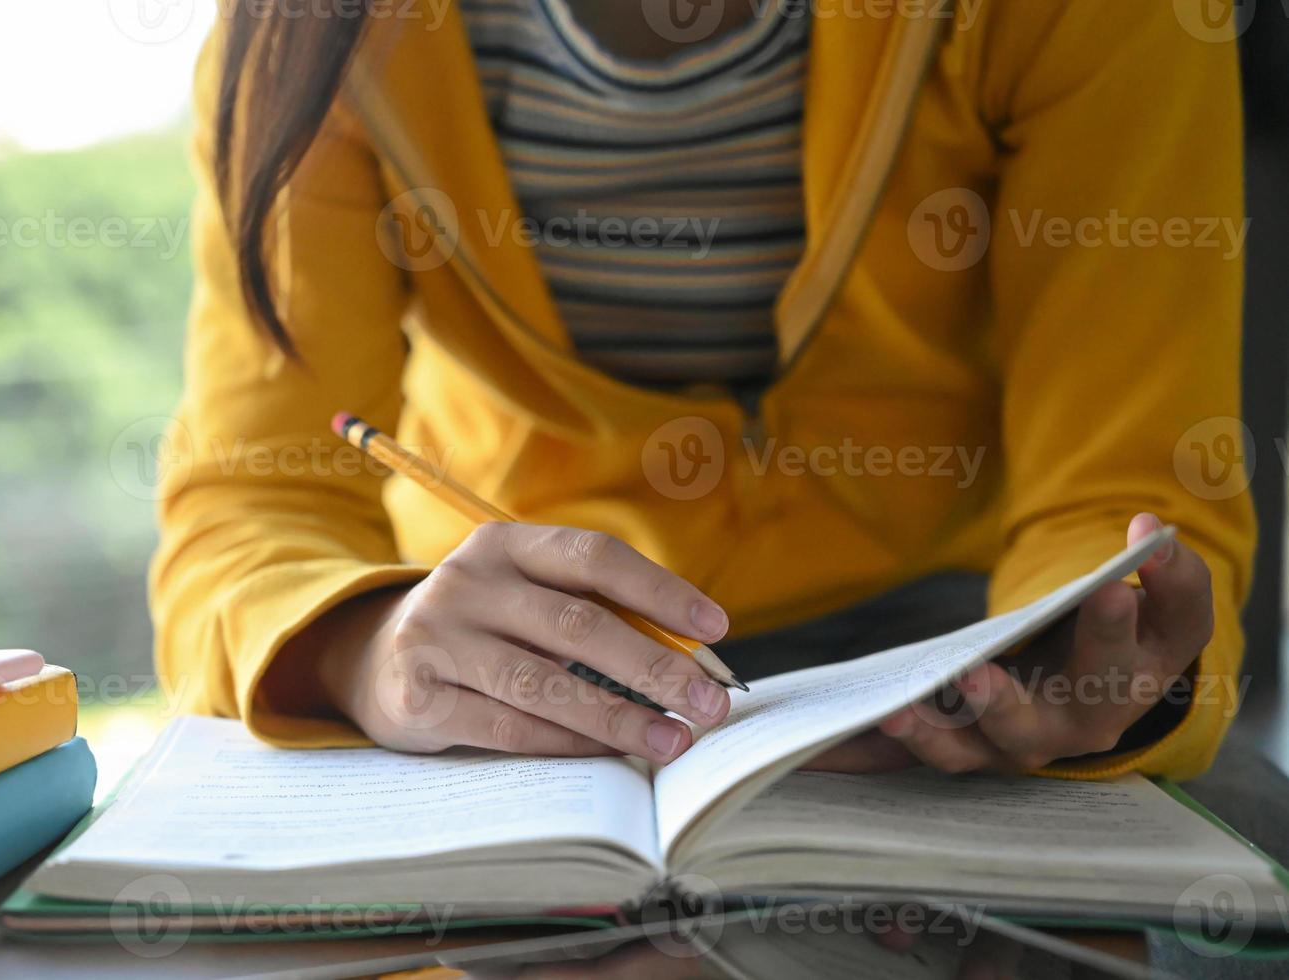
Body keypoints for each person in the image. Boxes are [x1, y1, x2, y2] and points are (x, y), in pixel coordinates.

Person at [151, 0, 1253, 782]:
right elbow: (251, 514)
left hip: (953, 650)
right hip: (501, 673)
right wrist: (366, 645)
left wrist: (1079, 657)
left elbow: (1126, 494)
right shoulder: (303, 36)